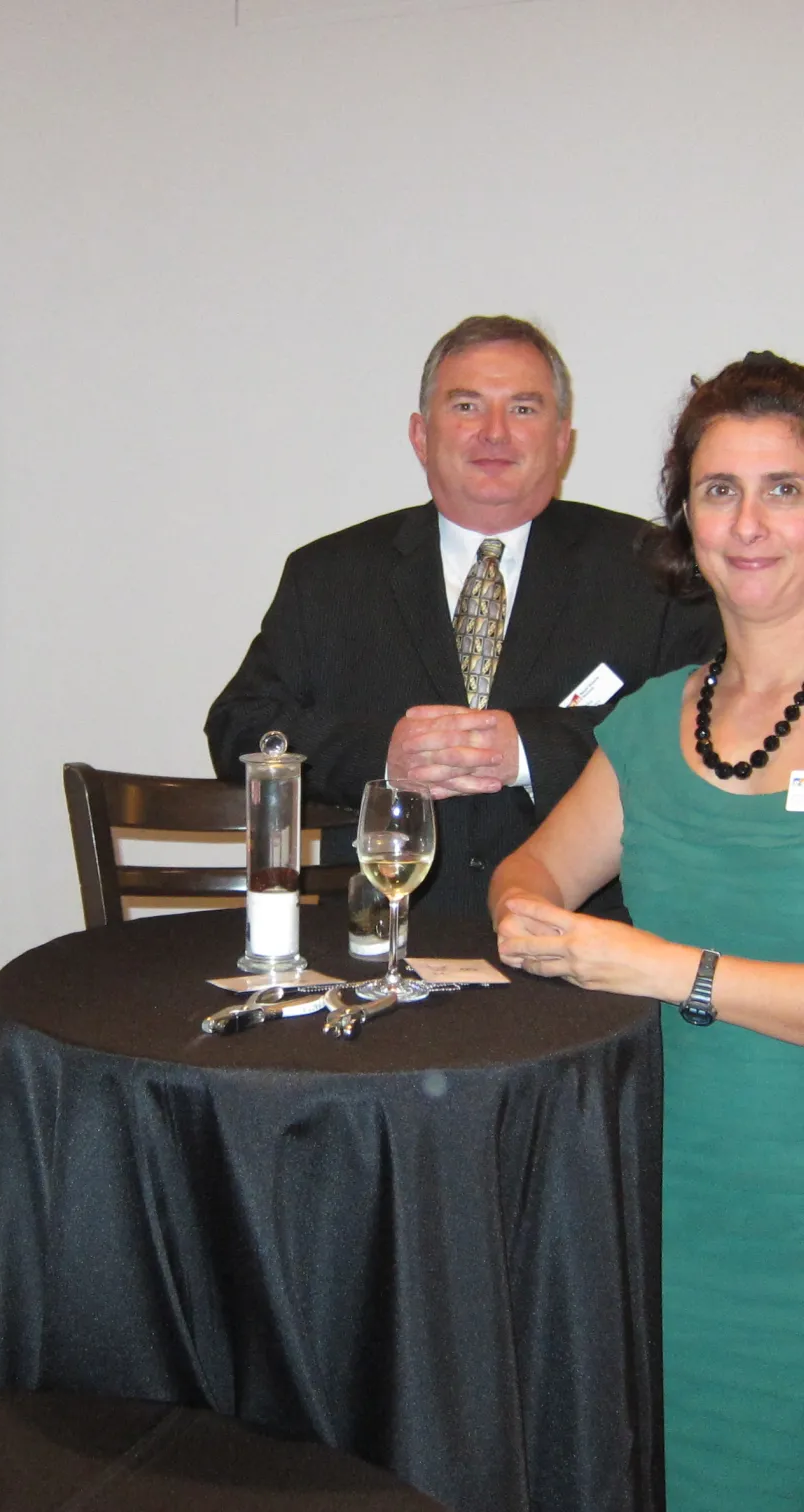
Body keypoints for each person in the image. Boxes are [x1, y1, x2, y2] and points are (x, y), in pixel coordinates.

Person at [490, 350, 804, 1512]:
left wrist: (665, 969)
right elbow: (535, 867)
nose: (749, 524)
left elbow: (660, 968)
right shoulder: (654, 718)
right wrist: (523, 914)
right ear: (687, 520)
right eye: (720, 490)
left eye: (785, 489)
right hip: (653, 1199)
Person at [206, 314, 720, 917]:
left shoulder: (653, 570)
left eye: (523, 409)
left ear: (562, 440)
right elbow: (239, 728)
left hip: (585, 939)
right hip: (383, 935)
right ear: (421, 435)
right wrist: (385, 756)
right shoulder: (328, 575)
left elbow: (706, 727)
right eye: (467, 406)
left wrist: (527, 750)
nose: (495, 433)